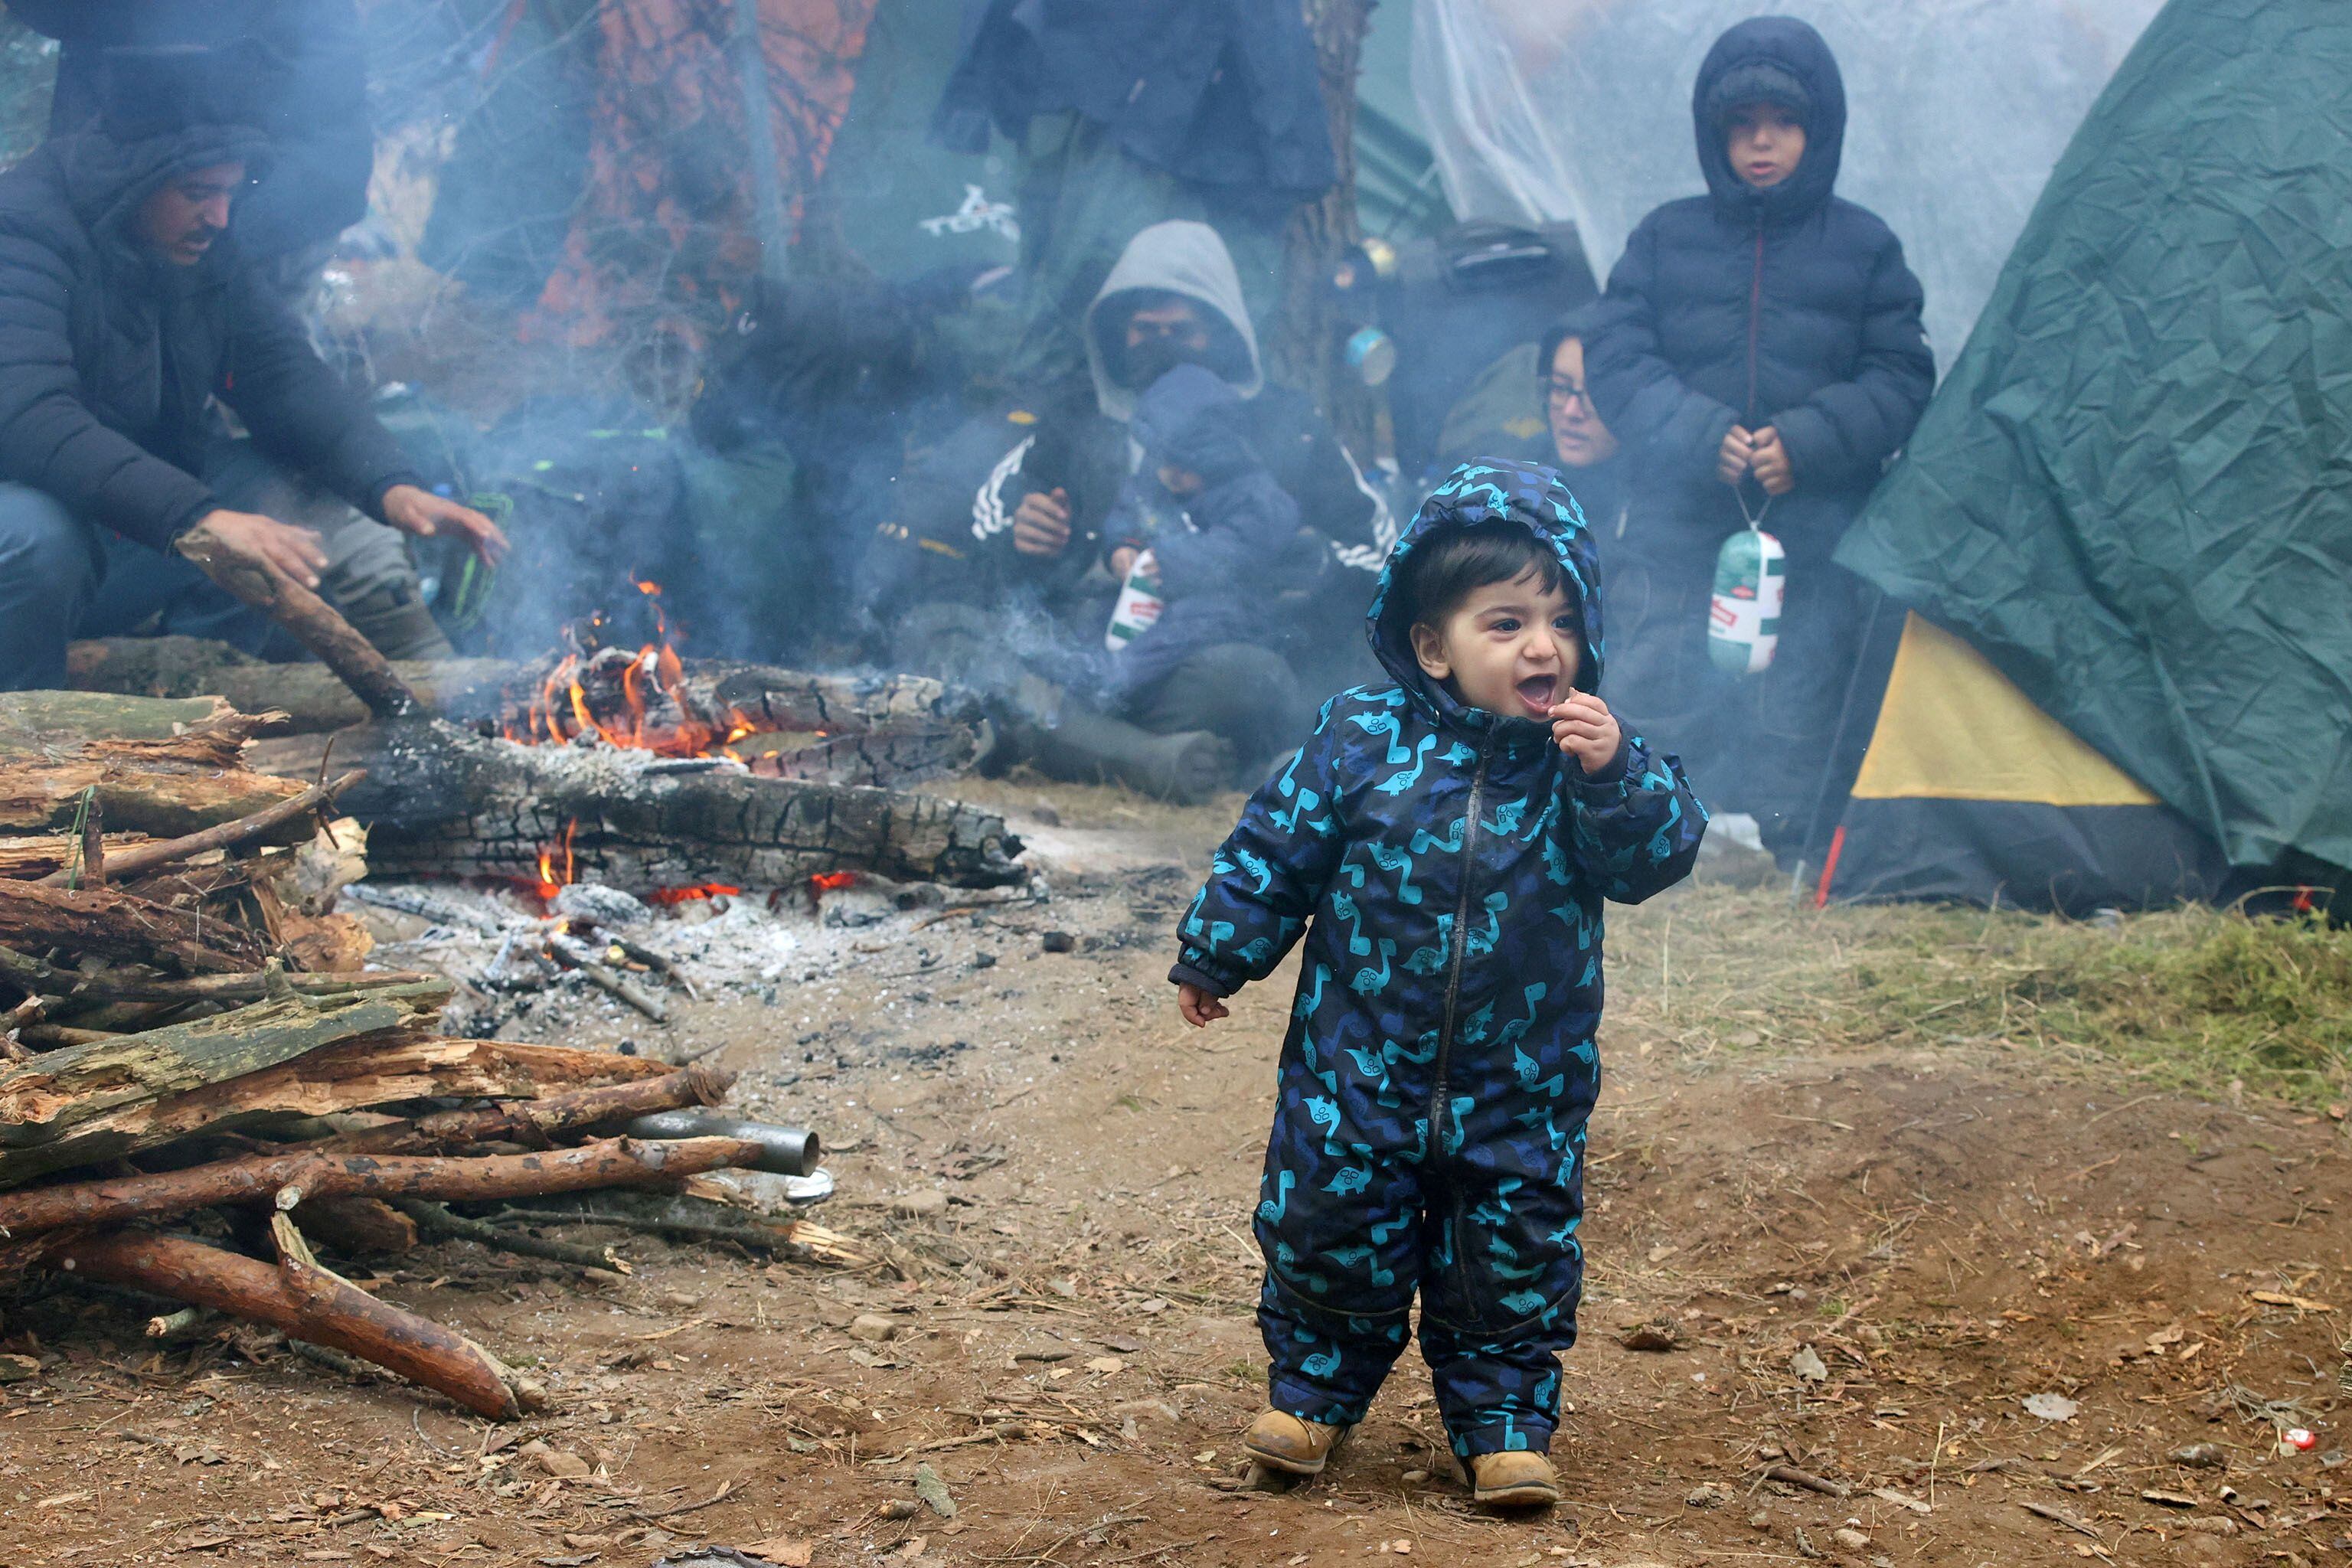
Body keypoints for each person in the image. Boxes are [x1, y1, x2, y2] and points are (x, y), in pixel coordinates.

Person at [1168, 458, 1706, 1507]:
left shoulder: (1581, 762)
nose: (1541, 646)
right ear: (1433, 646)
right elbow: (1277, 849)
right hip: (1357, 1069)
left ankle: (1504, 1422)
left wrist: (1623, 773)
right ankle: (1313, 1397)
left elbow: (1653, 862)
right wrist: (1220, 951)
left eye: (1561, 621)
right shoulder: (1359, 740)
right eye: (1504, 623)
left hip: (1523, 1083)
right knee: (1330, 1230)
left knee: (1510, 1251)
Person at [0, 52, 506, 691]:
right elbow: (28, 415)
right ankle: (22, 751)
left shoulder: (198, 244)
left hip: (110, 517)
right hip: (26, 530)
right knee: (36, 539)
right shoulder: (21, 229)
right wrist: (195, 518)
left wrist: (391, 484)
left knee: (279, 497)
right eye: (199, 194)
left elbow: (280, 372)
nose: (220, 216)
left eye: (230, 193)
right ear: (133, 179)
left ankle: (188, 707)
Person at [1583, 16, 1932, 864]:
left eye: (1782, 122)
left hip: (1813, 530)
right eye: (1742, 125)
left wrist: (1808, 441)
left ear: (1819, 130)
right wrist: (1699, 432)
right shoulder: (1666, 237)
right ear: (1716, 134)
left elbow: (1902, 374)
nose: (1761, 143)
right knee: (1662, 684)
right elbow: (1617, 355)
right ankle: (1643, 843)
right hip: (1680, 522)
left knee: (1801, 693)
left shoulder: (1866, 245)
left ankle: (1789, 845)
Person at [1098, 364, 1324, 764]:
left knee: (1195, 621)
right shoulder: (1161, 475)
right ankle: (1091, 675)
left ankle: (1115, 685)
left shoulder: (1257, 497)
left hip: (1238, 608)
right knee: (1095, 609)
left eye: (1183, 467)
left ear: (1216, 456)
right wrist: (1123, 547)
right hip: (1155, 600)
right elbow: (1129, 509)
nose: (1169, 476)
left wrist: (1169, 562)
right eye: (1163, 462)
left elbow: (1237, 552)